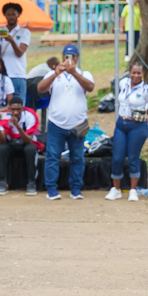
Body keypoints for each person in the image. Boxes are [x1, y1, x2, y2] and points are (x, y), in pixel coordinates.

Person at [38, 43, 94, 200]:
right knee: (53, 156)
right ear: (62, 57)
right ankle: (51, 189)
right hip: (56, 123)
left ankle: (76, 189)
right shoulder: (53, 74)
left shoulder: (84, 74)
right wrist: (56, 74)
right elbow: (40, 88)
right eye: (66, 56)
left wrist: (74, 73)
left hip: (78, 123)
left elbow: (90, 87)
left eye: (72, 56)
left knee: (77, 158)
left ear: (77, 58)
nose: (69, 59)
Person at [106, 62, 148, 202]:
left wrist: (143, 113)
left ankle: (133, 190)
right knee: (117, 157)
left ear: (143, 74)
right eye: (133, 72)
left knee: (133, 157)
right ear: (129, 72)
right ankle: (115, 189)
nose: (135, 75)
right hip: (121, 123)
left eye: (138, 73)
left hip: (137, 125)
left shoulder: (146, 90)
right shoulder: (123, 83)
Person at [0, 97, 41, 196]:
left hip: (25, 143)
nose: (15, 112)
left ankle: (31, 183)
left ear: (23, 109)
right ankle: (2, 182)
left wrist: (18, 126)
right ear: (9, 109)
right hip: (11, 144)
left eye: (18, 109)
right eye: (13, 109)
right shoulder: (4, 117)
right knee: (0, 149)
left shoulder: (29, 116)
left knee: (31, 149)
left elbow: (28, 140)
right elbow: (2, 141)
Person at [0, 2, 31, 102]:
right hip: (4, 75)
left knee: (18, 105)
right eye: (8, 15)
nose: (11, 17)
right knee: (3, 104)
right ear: (5, 16)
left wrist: (12, 41)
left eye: (13, 14)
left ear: (18, 15)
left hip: (18, 75)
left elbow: (20, 53)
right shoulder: (1, 31)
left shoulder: (24, 32)